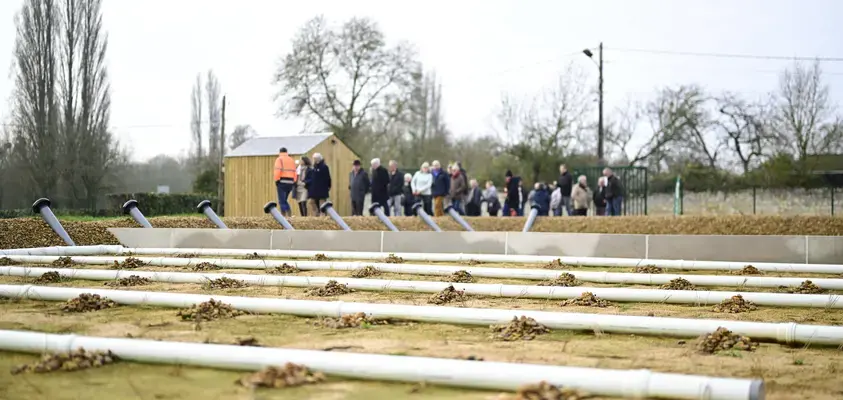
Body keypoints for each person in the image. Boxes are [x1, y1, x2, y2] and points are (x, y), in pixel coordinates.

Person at [273, 147, 297, 217]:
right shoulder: (291, 159)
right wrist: (294, 181)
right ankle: (285, 214)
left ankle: (286, 214)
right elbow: (294, 171)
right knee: (284, 199)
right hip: (290, 182)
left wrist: (276, 180)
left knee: (282, 200)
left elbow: (278, 170)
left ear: (280, 152)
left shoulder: (279, 159)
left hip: (282, 181)